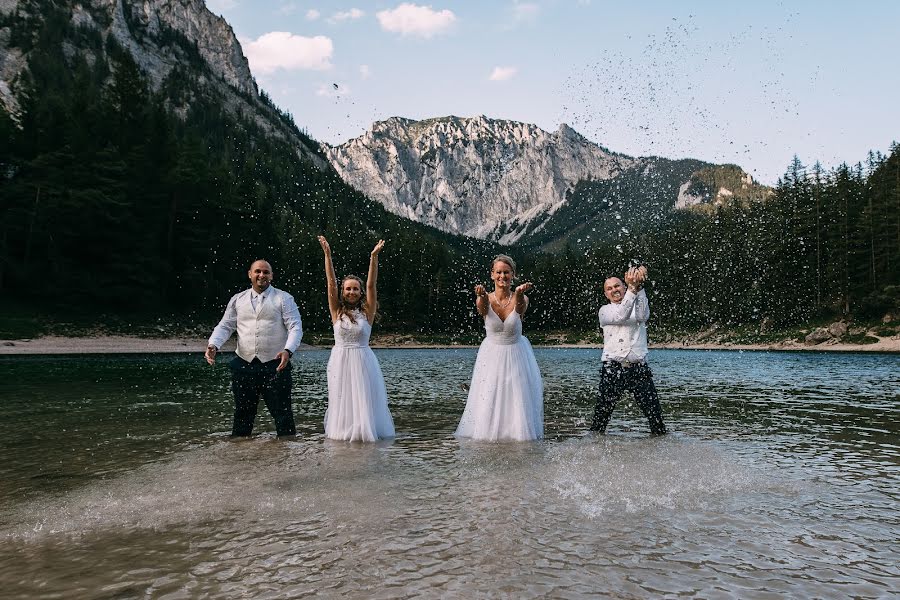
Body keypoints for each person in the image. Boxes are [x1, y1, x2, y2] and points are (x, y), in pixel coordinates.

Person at [205, 259, 303, 437]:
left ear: (271, 276)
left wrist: (288, 350)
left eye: (266, 272)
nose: (261, 275)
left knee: (283, 415)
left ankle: (289, 458)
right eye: (257, 271)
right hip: (243, 364)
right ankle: (240, 457)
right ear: (250, 274)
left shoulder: (284, 298)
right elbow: (225, 326)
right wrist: (213, 344)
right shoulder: (237, 299)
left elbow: (295, 327)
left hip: (276, 365)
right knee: (242, 414)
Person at [455, 255, 543, 441]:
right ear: (492, 275)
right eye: (499, 272)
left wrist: (518, 294)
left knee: (516, 395)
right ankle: (489, 433)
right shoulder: (485, 298)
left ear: (513, 275)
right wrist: (480, 295)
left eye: (506, 272)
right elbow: (482, 309)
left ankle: (518, 436)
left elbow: (520, 309)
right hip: (492, 355)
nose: (503, 276)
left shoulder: (522, 298)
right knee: (491, 393)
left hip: (517, 354)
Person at [318, 235, 395, 442]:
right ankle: (342, 433)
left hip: (363, 359)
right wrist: (328, 255)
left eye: (355, 288)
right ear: (343, 292)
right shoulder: (336, 311)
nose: (351, 291)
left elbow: (372, 285)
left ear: (360, 293)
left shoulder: (367, 312)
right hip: (340, 359)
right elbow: (330, 283)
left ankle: (363, 432)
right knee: (342, 397)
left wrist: (373, 258)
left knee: (363, 398)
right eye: (348, 288)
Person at [589, 265, 667, 435]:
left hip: (639, 368)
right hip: (612, 368)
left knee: (656, 418)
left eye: (617, 286)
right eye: (609, 288)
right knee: (600, 420)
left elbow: (643, 316)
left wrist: (638, 286)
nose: (614, 290)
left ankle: (660, 452)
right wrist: (633, 289)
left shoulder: (636, 300)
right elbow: (621, 316)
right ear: (605, 294)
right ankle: (592, 450)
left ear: (623, 287)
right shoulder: (605, 311)